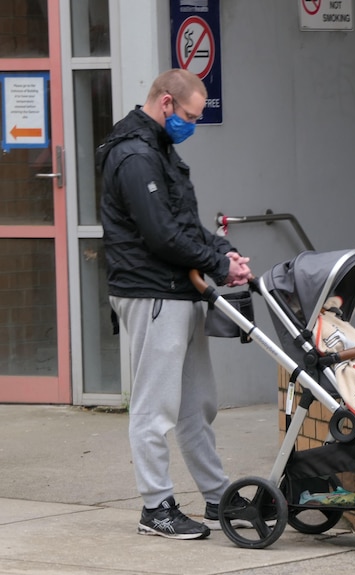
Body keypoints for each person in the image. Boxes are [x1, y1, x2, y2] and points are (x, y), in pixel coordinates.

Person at [97, 69, 252, 540]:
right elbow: (161, 236)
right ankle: (155, 507)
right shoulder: (134, 156)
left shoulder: (161, 150)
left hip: (178, 291)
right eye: (189, 115)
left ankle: (216, 496)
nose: (192, 125)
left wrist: (222, 252)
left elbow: (183, 222)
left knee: (196, 404)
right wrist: (218, 266)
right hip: (151, 293)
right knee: (155, 405)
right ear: (166, 103)